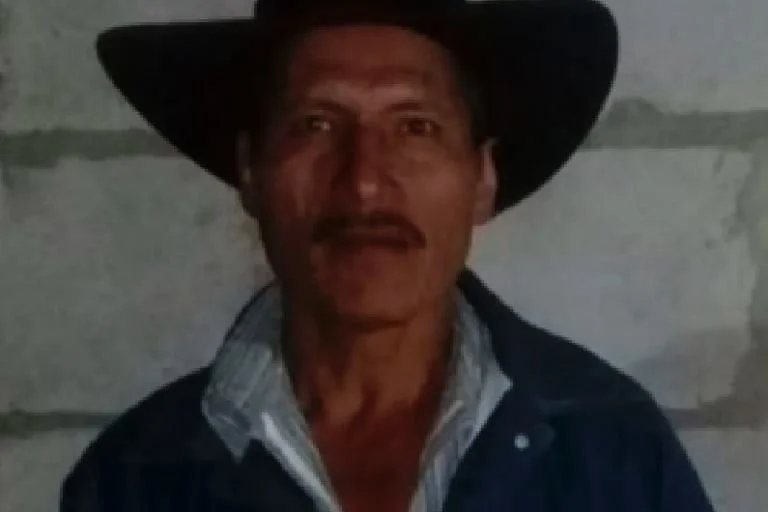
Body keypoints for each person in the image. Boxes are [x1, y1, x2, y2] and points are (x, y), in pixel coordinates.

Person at [61, 0, 716, 511]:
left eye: (415, 128)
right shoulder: (135, 478)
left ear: (482, 179)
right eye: (316, 125)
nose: (365, 183)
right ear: (252, 171)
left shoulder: (612, 451)